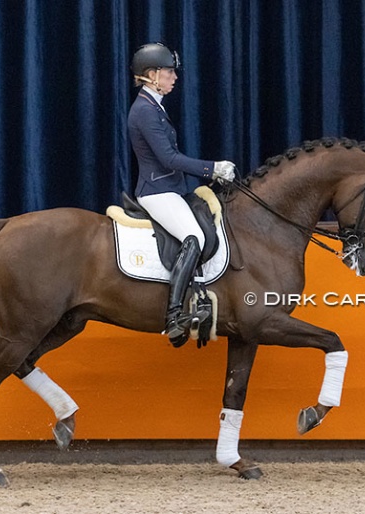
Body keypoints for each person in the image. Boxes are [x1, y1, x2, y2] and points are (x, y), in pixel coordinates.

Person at [127, 42, 236, 347]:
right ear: (151, 75)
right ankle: (175, 313)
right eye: (169, 71)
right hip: (157, 191)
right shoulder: (145, 111)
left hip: (171, 189)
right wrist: (211, 168)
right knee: (195, 237)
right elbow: (168, 159)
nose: (174, 77)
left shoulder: (154, 106)